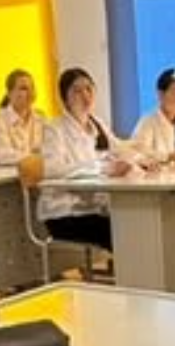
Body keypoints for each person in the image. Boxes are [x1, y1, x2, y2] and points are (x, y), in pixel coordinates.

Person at [39, 68, 140, 250]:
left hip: (93, 207)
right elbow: (52, 169)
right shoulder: (54, 128)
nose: (85, 95)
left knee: (135, 221)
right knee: (122, 231)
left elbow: (120, 149)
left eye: (89, 89)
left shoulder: (97, 124)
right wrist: (101, 168)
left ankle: (133, 267)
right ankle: (129, 268)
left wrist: (143, 159)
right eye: (77, 91)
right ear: (65, 98)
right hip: (64, 212)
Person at [0, 69, 45, 166]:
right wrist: (35, 157)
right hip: (8, 173)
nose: (30, 93)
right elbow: (2, 155)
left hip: (36, 171)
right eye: (24, 88)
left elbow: (49, 149)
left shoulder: (41, 118)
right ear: (9, 94)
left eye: (32, 88)